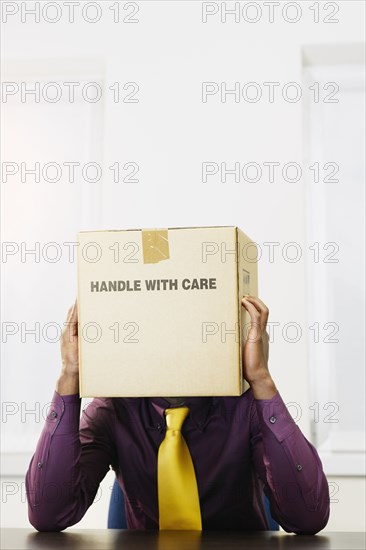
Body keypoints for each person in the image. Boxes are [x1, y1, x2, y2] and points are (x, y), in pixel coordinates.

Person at [25, 295, 330, 533]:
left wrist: (261, 379)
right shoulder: (114, 409)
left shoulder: (245, 406)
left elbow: (308, 518)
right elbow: (48, 514)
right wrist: (70, 376)